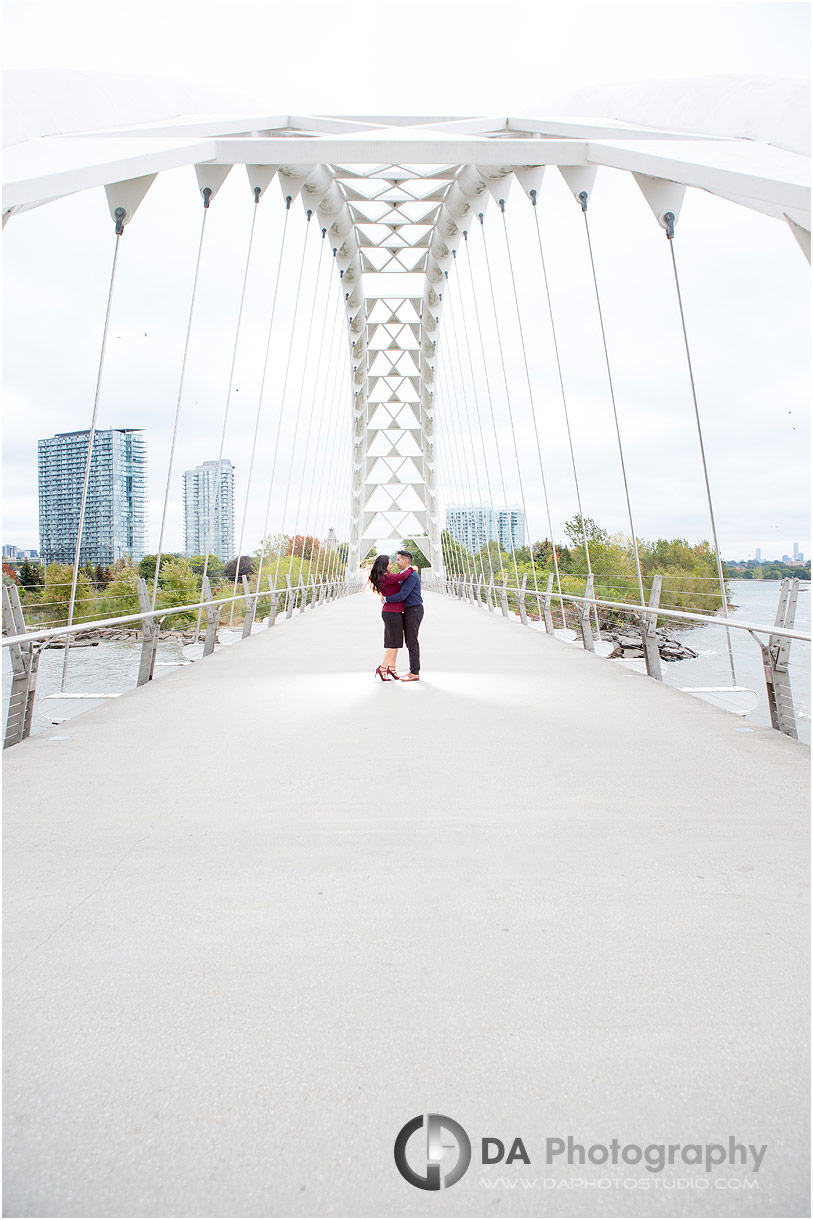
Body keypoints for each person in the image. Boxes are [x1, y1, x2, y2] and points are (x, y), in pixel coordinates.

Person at [367, 554, 414, 681]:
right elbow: (402, 576)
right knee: (393, 644)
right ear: (384, 566)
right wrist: (412, 568)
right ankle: (382, 668)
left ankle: (392, 669)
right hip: (392, 613)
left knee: (395, 643)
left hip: (391, 612)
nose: (392, 565)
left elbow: (399, 578)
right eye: (390, 564)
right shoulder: (387, 577)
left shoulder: (384, 577)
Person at [382, 548, 423, 681]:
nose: (396, 562)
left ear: (406, 561)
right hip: (409, 610)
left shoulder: (411, 576)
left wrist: (386, 599)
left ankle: (415, 672)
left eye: (398, 559)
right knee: (409, 642)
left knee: (412, 641)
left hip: (414, 610)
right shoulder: (406, 574)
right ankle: (412, 671)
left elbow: (402, 595)